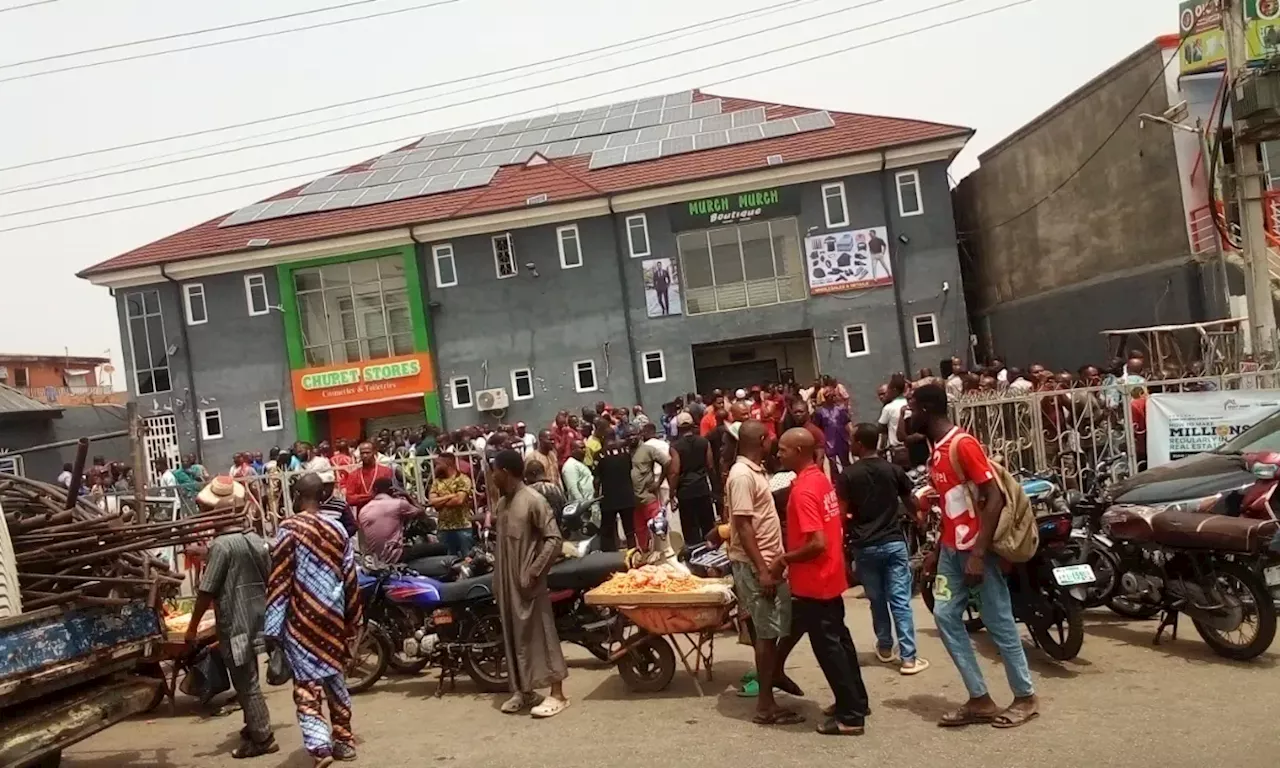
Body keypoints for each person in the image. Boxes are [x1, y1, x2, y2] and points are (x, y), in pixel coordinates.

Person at [908, 383, 1038, 728]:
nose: (908, 415)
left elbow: (992, 498)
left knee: (998, 622)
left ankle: (1025, 697)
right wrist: (937, 550)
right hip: (952, 551)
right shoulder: (937, 450)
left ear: (926, 409)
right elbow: (953, 509)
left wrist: (979, 554)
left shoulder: (962, 445)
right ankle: (979, 698)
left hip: (976, 552)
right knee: (946, 616)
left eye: (912, 408)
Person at [772, 427, 870, 736]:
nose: (778, 454)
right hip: (830, 577)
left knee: (829, 648)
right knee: (840, 640)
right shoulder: (819, 481)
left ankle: (851, 716)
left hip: (815, 581)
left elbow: (816, 543)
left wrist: (784, 559)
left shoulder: (803, 491)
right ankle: (854, 701)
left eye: (783, 450)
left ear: (800, 451)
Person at [265, 473, 362, 766]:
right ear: (322, 496)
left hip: (301, 620)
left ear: (296, 495)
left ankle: (320, 746)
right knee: (334, 678)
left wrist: (272, 628)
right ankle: (344, 740)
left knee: (307, 684)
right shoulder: (337, 529)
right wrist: (353, 616)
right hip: (332, 617)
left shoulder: (289, 529)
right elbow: (350, 575)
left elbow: (280, 579)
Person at [183, 477, 276, 759]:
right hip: (258, 617)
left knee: (245, 683)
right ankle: (253, 727)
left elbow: (206, 591)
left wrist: (192, 628)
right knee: (250, 677)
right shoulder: (255, 540)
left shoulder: (221, 546)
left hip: (234, 622)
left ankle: (262, 737)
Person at [726, 420, 802, 726]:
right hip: (757, 566)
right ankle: (766, 705)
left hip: (767, 563)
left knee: (773, 631)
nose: (774, 445)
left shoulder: (754, 472)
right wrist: (763, 571)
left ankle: (773, 680)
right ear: (761, 440)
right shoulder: (742, 475)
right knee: (767, 636)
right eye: (771, 440)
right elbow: (743, 527)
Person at [839, 424, 928, 675]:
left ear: (859, 444)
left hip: (864, 546)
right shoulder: (893, 470)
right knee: (900, 600)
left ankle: (886, 647)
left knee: (876, 600)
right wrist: (920, 519)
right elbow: (910, 500)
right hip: (893, 543)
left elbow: (841, 513)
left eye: (852, 440)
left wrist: (841, 545)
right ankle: (909, 657)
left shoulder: (848, 475)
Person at [489, 449, 570, 718]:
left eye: (495, 470)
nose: (492, 476)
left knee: (542, 634)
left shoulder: (534, 500)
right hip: (507, 585)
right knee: (515, 638)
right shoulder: (502, 505)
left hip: (528, 584)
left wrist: (534, 571)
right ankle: (523, 692)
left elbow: (553, 539)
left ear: (506, 471)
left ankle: (558, 694)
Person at [667, 412, 716, 544]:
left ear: (678, 428)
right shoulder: (704, 442)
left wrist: (672, 494)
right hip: (702, 488)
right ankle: (712, 553)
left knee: (690, 528)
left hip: (685, 492)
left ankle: (695, 556)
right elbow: (710, 466)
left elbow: (674, 472)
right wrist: (714, 488)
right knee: (708, 524)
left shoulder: (675, 447)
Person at [357, 476, 424, 565]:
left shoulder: (364, 510)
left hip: (375, 559)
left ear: (374, 491)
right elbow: (421, 512)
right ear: (392, 490)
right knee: (439, 548)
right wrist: (407, 495)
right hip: (395, 555)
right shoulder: (398, 504)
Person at [631, 424, 670, 550]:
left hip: (648, 497)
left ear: (639, 435)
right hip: (634, 501)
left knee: (658, 528)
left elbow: (667, 462)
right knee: (640, 532)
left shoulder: (648, 449)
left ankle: (663, 554)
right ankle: (645, 555)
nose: (631, 438)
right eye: (628, 436)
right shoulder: (625, 451)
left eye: (633, 435)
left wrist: (658, 483)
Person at [429, 451, 476, 556]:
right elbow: (432, 502)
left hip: (462, 526)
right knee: (446, 560)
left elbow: (459, 500)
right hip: (443, 528)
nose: (436, 467)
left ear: (448, 464)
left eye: (438, 464)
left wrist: (440, 501)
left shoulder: (463, 479)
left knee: (467, 558)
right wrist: (450, 496)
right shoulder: (437, 481)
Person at [595, 432, 636, 551]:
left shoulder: (600, 455)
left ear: (603, 438)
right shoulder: (626, 452)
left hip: (609, 497)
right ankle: (633, 553)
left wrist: (596, 494)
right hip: (627, 495)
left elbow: (597, 479)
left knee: (607, 530)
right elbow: (629, 469)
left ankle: (609, 556)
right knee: (630, 530)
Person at [342, 441, 394, 512]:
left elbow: (390, 495)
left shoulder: (385, 471)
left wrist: (361, 497)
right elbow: (350, 499)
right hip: (363, 515)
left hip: (384, 512)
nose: (365, 455)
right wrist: (372, 496)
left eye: (368, 452)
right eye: (362, 453)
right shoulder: (353, 475)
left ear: (374, 452)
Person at [812, 392, 851, 476]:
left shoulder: (841, 409)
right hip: (829, 439)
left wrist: (851, 435)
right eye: (830, 396)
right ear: (825, 398)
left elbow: (847, 423)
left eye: (834, 396)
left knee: (845, 460)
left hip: (841, 437)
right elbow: (817, 426)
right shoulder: (820, 411)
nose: (832, 398)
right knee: (832, 462)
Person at [561, 439, 596, 513]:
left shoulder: (580, 463)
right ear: (573, 450)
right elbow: (573, 489)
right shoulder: (570, 466)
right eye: (581, 448)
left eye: (584, 448)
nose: (584, 450)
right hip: (581, 508)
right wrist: (583, 505)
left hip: (590, 503)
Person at [878, 375, 909, 450]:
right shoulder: (909, 403)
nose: (882, 396)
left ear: (894, 390)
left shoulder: (888, 408)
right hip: (912, 447)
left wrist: (880, 449)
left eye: (888, 390)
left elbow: (882, 431)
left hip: (897, 450)